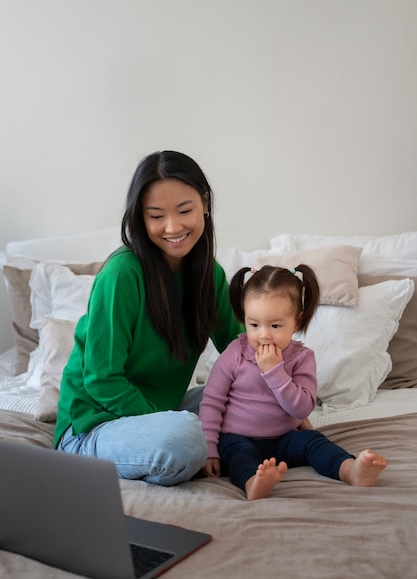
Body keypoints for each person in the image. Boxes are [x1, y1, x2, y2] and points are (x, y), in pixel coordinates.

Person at [54, 150, 243, 486]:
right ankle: (208, 450)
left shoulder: (208, 276)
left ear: (205, 204)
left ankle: (213, 446)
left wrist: (280, 399)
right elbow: (101, 379)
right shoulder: (122, 275)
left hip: (163, 414)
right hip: (93, 427)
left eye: (184, 210)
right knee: (185, 438)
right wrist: (167, 422)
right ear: (140, 218)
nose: (173, 227)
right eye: (156, 216)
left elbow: (240, 351)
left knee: (250, 397)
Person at [198, 264, 387, 500]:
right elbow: (212, 402)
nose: (263, 334)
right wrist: (210, 449)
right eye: (254, 324)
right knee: (238, 455)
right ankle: (253, 483)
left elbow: (302, 408)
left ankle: (351, 470)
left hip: (284, 439)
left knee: (313, 442)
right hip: (237, 437)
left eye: (275, 325)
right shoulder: (235, 353)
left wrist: (274, 371)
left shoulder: (301, 358)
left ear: (296, 322)